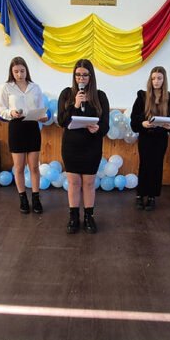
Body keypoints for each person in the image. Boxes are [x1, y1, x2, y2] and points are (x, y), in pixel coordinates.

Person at [57, 59, 109, 234]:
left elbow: (105, 125)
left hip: (92, 146)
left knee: (89, 182)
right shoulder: (66, 94)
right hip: (71, 146)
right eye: (78, 75)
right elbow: (62, 121)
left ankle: (88, 216)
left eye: (85, 75)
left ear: (91, 76)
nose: (81, 78)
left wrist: (98, 129)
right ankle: (73, 217)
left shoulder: (100, 96)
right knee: (73, 182)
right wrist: (75, 105)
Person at [0, 57, 48, 214]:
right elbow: (1, 110)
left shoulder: (35, 87)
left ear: (27, 70)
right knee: (19, 167)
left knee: (34, 166)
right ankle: (23, 198)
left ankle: (36, 198)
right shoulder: (6, 87)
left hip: (32, 126)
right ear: (11, 72)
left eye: (22, 71)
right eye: (16, 72)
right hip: (16, 127)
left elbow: (41, 109)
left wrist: (43, 117)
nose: (19, 74)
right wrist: (11, 113)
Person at [129, 66, 170, 211]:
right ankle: (140, 195)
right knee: (145, 165)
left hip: (160, 138)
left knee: (156, 166)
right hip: (146, 137)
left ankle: (152, 196)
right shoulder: (142, 96)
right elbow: (134, 120)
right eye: (153, 78)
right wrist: (142, 123)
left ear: (164, 80)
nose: (156, 81)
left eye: (159, 78)